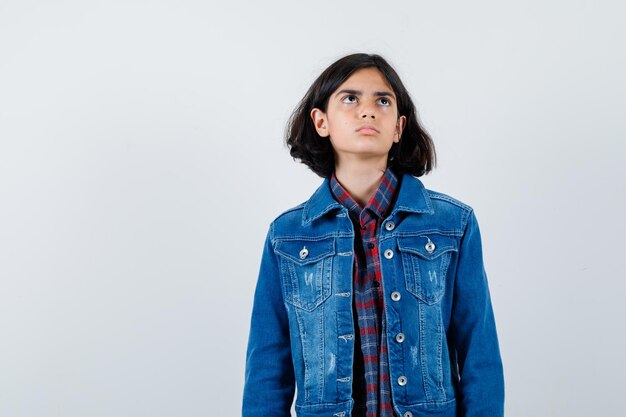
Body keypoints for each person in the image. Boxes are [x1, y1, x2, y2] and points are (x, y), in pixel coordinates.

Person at [242, 53, 504, 417]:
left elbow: (480, 353)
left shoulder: (452, 225)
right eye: (350, 99)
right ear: (321, 121)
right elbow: (268, 367)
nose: (368, 111)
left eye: (382, 101)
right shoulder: (288, 237)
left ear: (398, 127)